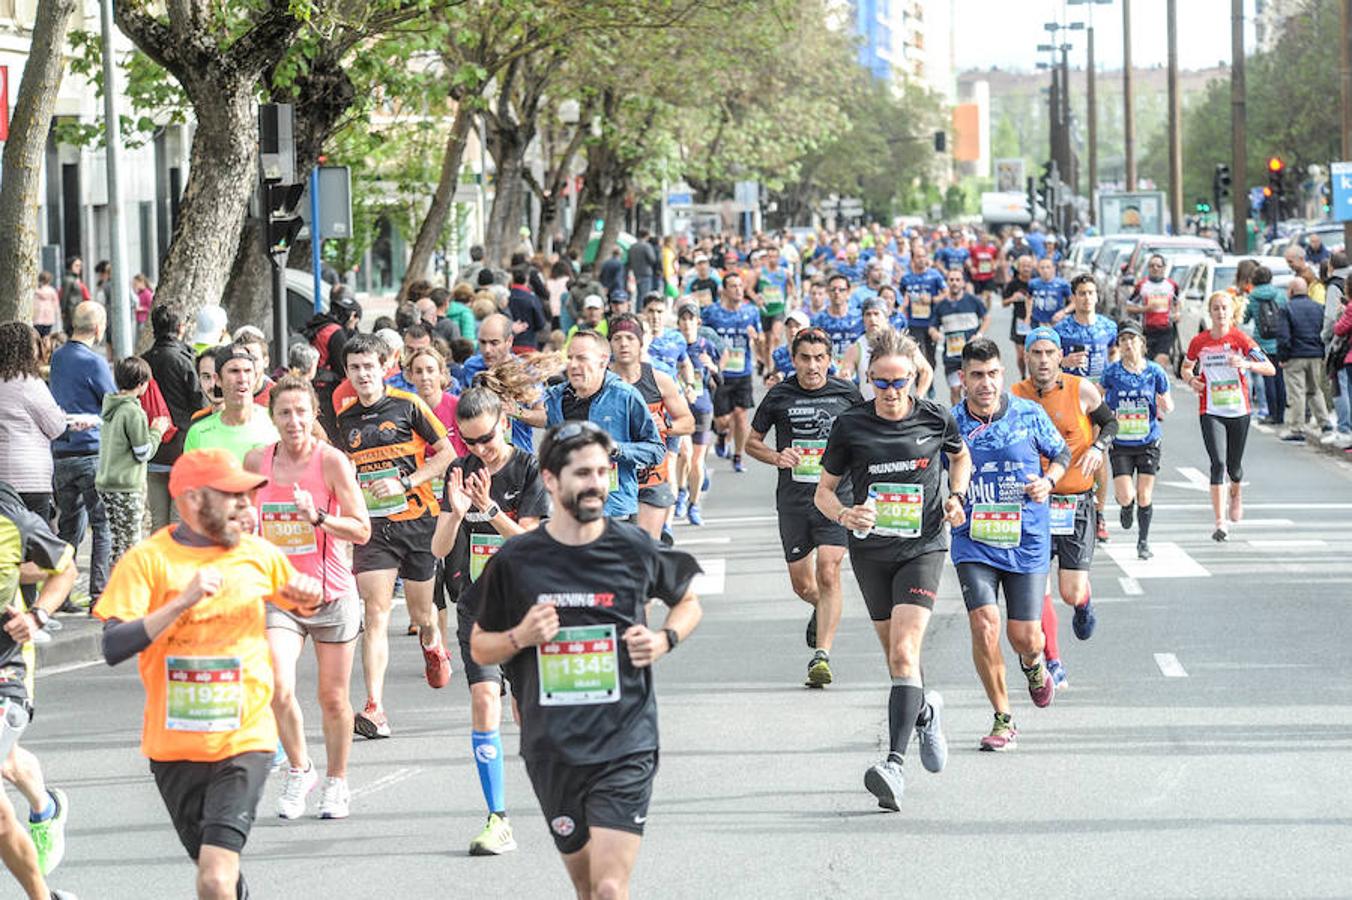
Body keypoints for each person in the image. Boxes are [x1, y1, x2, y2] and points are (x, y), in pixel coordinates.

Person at [469, 420, 703, 898]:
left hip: (626, 742)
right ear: (552, 481)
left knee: (611, 888)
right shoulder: (516, 559)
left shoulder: (632, 545)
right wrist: (520, 635)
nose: (596, 482)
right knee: (587, 887)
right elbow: (479, 645)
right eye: (582, 473)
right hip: (553, 746)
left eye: (602, 471)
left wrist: (664, 640)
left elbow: (688, 601)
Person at [94, 449, 324, 900]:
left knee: (215, 877)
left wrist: (310, 595)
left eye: (247, 495)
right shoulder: (148, 561)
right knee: (215, 873)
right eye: (232, 495)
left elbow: (303, 602)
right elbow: (113, 644)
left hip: (245, 740)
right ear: (194, 499)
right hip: (173, 747)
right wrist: (182, 601)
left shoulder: (258, 554)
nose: (245, 506)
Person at [813, 330, 970, 810]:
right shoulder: (850, 426)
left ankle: (894, 765)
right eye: (880, 384)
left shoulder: (934, 416)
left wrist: (957, 497)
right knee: (898, 660)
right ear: (869, 381)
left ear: (913, 378)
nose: (891, 392)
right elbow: (823, 490)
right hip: (871, 551)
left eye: (899, 382)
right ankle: (925, 710)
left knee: (905, 653)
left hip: (922, 546)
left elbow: (959, 456)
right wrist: (844, 515)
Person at [243, 377, 370, 821]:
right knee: (277, 686)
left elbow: (362, 528)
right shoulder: (257, 461)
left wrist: (318, 518)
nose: (293, 421)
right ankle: (300, 768)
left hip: (332, 594)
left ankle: (337, 781)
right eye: (284, 413)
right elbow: (245, 519)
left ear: (314, 414)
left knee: (332, 698)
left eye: (301, 412)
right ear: (272, 417)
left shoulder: (332, 461)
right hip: (282, 595)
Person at [431, 387, 549, 856]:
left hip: (524, 609)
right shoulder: (459, 471)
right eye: (469, 441)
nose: (480, 449)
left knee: (528, 715)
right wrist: (457, 515)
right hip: (477, 609)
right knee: (484, 702)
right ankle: (498, 818)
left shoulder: (529, 468)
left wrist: (492, 511)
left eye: (486, 438)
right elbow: (439, 550)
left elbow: (532, 543)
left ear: (503, 421)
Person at [336, 334, 456, 738]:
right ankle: (375, 707)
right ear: (347, 373)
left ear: (384, 367)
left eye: (369, 367)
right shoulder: (345, 417)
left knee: (423, 614)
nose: (362, 375)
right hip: (373, 530)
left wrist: (406, 482)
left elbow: (446, 454)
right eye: (355, 368)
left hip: (417, 521)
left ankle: (432, 641)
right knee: (375, 614)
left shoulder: (410, 406)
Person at [950, 337, 1068, 750]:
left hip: (1026, 540)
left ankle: (1034, 666)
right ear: (962, 379)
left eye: (993, 374)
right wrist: (951, 501)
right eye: (977, 375)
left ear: (1004, 374)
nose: (986, 383)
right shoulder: (951, 423)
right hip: (974, 539)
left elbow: (1062, 453)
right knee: (984, 625)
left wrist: (1048, 480)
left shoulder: (1028, 413)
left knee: (1025, 637)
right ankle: (1003, 718)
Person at [748, 326, 861, 687]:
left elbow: (870, 437)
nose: (812, 366)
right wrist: (777, 456)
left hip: (835, 498)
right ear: (793, 360)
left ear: (830, 360)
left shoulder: (847, 393)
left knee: (829, 571)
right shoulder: (780, 395)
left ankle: (821, 656)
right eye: (805, 359)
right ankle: (820, 606)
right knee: (803, 584)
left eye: (819, 359)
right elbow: (751, 443)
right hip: (794, 501)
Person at [1012, 327, 1116, 689]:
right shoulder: (1015, 397)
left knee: (1070, 591)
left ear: (1060, 356)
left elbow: (1111, 422)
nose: (1042, 360)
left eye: (1048, 353)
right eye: (1035, 353)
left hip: (1074, 502)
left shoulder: (1080, 389)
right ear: (1026, 357)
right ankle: (1053, 661)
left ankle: (1083, 604)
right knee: (1036, 586)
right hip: (1033, 504)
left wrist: (1097, 448)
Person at [0, 482, 79, 899]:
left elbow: (63, 567)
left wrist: (37, 616)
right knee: (7, 763)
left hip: (4, 669)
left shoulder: (9, 515)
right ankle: (45, 806)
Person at [517, 331, 665, 521]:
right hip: (570, 511)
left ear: (603, 361)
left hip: (614, 512)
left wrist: (617, 449)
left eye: (582, 358)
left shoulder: (625, 395)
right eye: (570, 358)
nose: (573, 365)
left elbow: (656, 450)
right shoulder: (556, 398)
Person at [1183, 292, 1277, 541]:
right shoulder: (1199, 342)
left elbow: (1270, 368)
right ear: (1210, 311)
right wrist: (1192, 380)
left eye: (1224, 308)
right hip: (1210, 410)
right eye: (1216, 308)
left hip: (1239, 410)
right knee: (1218, 464)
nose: (1220, 313)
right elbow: (1184, 367)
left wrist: (1246, 364)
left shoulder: (1240, 339)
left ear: (1231, 311)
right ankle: (1220, 522)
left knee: (1234, 468)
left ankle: (1236, 491)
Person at [49, 301, 116, 606]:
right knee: (102, 524)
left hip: (61, 452)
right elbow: (112, 402)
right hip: (91, 451)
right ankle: (98, 594)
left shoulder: (59, 357)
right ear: (99, 328)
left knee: (68, 526)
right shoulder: (95, 362)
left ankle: (60, 593)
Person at [608, 316, 694, 539]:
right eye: (617, 338)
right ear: (609, 344)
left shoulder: (659, 380)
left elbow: (688, 422)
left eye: (630, 338)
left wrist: (666, 425)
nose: (624, 344)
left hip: (651, 479)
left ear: (641, 343)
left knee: (646, 550)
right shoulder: (600, 381)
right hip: (613, 481)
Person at [1101, 321, 1173, 560]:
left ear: (1142, 343)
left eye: (1132, 339)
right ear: (1119, 346)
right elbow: (1099, 398)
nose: (1127, 344)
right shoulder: (1111, 372)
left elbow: (1168, 402)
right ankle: (1125, 506)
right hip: (1121, 442)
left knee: (1144, 494)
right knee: (1126, 495)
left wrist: (1165, 405)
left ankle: (1143, 542)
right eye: (1123, 340)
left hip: (1149, 440)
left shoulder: (1155, 371)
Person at [96, 357, 170, 566]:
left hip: (106, 484)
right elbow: (143, 452)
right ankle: (129, 591)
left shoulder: (111, 407)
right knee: (131, 544)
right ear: (141, 384)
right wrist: (156, 431)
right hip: (127, 486)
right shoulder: (133, 412)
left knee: (117, 544)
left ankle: (114, 588)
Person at [142, 306, 210, 529]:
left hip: (154, 447)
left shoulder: (143, 362)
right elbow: (199, 403)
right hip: (182, 446)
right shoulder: (185, 361)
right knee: (179, 520)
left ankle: (158, 563)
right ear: (180, 328)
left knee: (158, 522)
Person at [0, 323, 66, 526]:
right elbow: (55, 426)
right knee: (35, 545)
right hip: (30, 477)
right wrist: (62, 416)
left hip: (2, 478)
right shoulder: (29, 383)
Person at [702, 273, 761, 471]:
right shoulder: (712, 312)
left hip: (742, 372)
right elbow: (701, 335)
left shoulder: (751, 312)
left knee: (741, 415)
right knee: (723, 420)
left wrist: (757, 337)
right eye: (733, 286)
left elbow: (760, 336)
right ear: (724, 290)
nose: (738, 290)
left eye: (740, 286)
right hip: (720, 373)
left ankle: (738, 456)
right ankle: (721, 435)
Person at [183, 344, 279, 462]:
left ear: (255, 377)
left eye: (247, 371)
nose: (242, 378)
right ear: (218, 379)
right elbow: (189, 479)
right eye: (234, 371)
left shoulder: (276, 422)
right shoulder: (198, 433)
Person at [674, 301, 720, 524]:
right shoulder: (673, 346)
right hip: (679, 409)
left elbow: (720, 381)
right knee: (684, 453)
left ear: (698, 322)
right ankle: (681, 492)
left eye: (690, 318)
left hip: (702, 408)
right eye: (683, 319)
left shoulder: (706, 345)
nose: (686, 323)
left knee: (696, 460)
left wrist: (712, 367)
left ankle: (694, 505)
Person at [1274, 277, 1331, 443]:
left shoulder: (1286, 308)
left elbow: (1283, 336)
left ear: (1291, 291)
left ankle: (1296, 427)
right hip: (1315, 354)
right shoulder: (1318, 308)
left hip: (1295, 356)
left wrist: (1283, 357)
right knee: (1315, 389)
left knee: (1297, 392)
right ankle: (1325, 423)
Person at [931, 268, 990, 405]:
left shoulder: (973, 301)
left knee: (970, 390)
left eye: (958, 280)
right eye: (951, 280)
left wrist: (978, 335)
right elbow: (932, 326)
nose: (954, 283)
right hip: (952, 356)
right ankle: (958, 422)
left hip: (972, 354)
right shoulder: (941, 306)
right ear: (947, 283)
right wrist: (934, 333)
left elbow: (986, 318)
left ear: (963, 283)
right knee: (955, 390)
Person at [1244, 266, 1288, 427]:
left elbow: (1246, 317)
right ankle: (1281, 414)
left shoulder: (1252, 297)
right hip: (1279, 341)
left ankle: (1271, 412)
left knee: (1268, 377)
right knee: (1280, 378)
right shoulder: (1281, 295)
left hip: (1261, 341)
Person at [898, 245, 947, 376]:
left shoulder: (935, 275)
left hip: (932, 323)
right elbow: (901, 297)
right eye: (918, 256)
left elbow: (946, 293)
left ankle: (929, 382)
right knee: (917, 356)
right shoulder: (906, 278)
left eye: (924, 256)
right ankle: (921, 385)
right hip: (914, 324)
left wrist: (931, 299)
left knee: (931, 358)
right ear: (912, 259)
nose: (921, 259)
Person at [1126, 255, 1181, 369]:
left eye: (1158, 266)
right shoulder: (1142, 285)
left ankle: (1159, 386)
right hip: (1147, 331)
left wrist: (1177, 314)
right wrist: (1145, 309)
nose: (1155, 268)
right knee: (1146, 366)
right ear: (1148, 268)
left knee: (1160, 363)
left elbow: (1177, 302)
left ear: (1164, 268)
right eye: (1151, 266)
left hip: (1166, 331)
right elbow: (1128, 307)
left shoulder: (1171, 285)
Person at [813, 273, 865, 365]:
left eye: (841, 290)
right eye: (833, 289)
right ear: (828, 292)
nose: (837, 292)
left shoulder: (860, 318)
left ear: (848, 292)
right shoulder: (818, 320)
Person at [1002, 255, 1035, 378]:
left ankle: (1033, 378)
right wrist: (1012, 298)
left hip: (1034, 321)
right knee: (1021, 355)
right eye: (1023, 266)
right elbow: (1003, 303)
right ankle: (1023, 376)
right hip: (1019, 321)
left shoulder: (1036, 282)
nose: (1026, 268)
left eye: (1028, 266)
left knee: (1033, 354)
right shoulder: (1013, 284)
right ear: (1018, 267)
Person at [31, 272, 60, 338]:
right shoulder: (52, 291)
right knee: (46, 337)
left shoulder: (36, 291)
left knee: (37, 337)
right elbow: (56, 305)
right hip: (49, 318)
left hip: (37, 319)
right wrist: (57, 314)